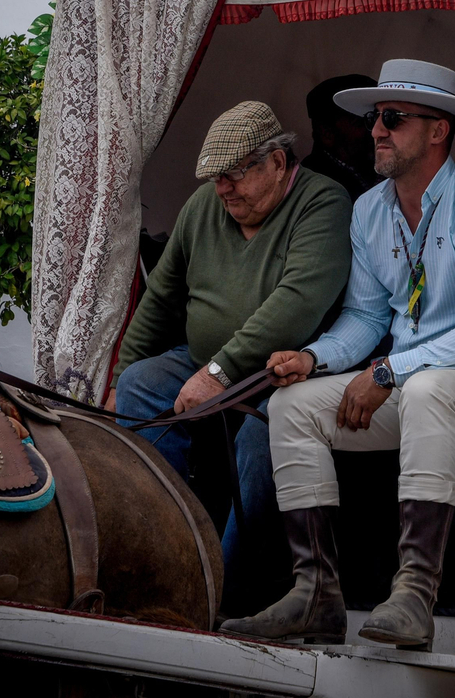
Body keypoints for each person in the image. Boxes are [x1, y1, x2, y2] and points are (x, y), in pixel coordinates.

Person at [221, 60, 455, 649]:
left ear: (439, 130)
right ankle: (316, 594)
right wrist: (313, 358)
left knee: (428, 388)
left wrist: (388, 371)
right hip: (411, 387)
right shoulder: (369, 211)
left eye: (393, 118)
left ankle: (415, 593)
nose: (375, 131)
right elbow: (366, 318)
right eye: (373, 118)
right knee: (292, 406)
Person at [110, 100, 352, 602]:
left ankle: (224, 583)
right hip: (205, 360)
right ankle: (170, 545)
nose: (222, 188)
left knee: (265, 435)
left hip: (286, 372)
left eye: (235, 174)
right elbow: (162, 297)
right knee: (140, 386)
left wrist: (220, 370)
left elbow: (297, 304)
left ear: (279, 164)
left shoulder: (323, 202)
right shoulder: (205, 206)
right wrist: (119, 377)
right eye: (216, 177)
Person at [301, 73, 380, 199]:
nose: (376, 130)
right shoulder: (315, 188)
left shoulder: (375, 166)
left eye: (375, 119)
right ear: (327, 133)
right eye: (361, 122)